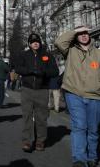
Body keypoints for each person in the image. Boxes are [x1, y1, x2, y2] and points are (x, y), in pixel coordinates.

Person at [55, 26, 100, 167]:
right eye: (80, 34)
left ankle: (93, 157)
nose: (84, 35)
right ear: (76, 36)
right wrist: (76, 30)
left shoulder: (98, 54)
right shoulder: (69, 50)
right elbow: (59, 42)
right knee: (79, 126)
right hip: (74, 93)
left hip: (95, 96)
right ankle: (79, 159)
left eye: (86, 33)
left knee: (94, 129)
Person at [15, 33, 59, 153]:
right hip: (27, 90)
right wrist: (30, 71)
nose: (35, 43)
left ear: (40, 43)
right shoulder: (23, 55)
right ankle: (27, 141)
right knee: (27, 116)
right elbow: (18, 68)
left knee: (41, 117)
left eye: (37, 41)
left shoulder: (47, 55)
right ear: (29, 43)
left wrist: (43, 72)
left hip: (42, 90)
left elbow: (55, 71)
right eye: (33, 41)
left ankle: (40, 141)